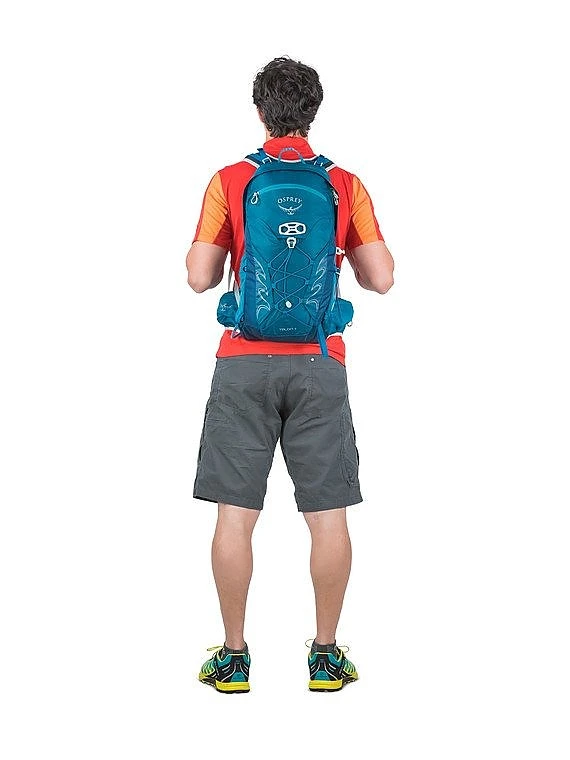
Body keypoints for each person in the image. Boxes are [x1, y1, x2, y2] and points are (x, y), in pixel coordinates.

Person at [186, 56, 394, 693]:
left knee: (235, 515)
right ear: (314, 112)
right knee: (328, 516)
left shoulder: (231, 179)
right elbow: (381, 278)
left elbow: (198, 277)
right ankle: (325, 657)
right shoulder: (343, 184)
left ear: (259, 111)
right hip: (320, 364)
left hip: (241, 365)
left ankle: (233, 658)